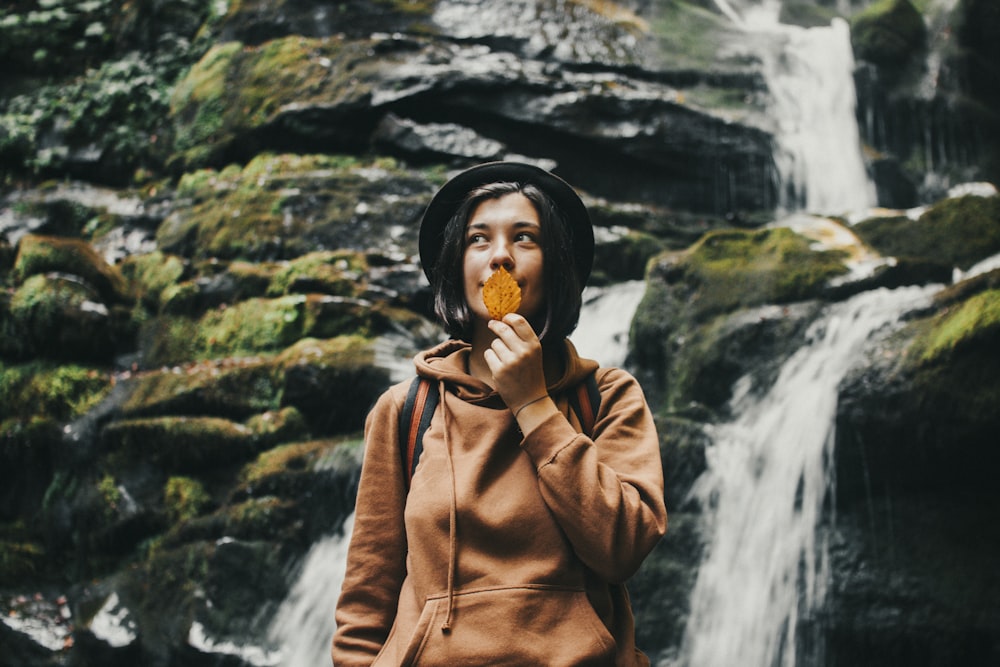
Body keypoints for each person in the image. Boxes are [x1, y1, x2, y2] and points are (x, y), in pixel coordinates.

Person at [331, 161, 667, 666]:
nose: (501, 257)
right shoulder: (405, 410)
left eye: (525, 238)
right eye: (478, 240)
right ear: (456, 264)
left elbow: (622, 549)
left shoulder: (606, 397)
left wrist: (533, 405)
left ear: (555, 264)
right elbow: (366, 600)